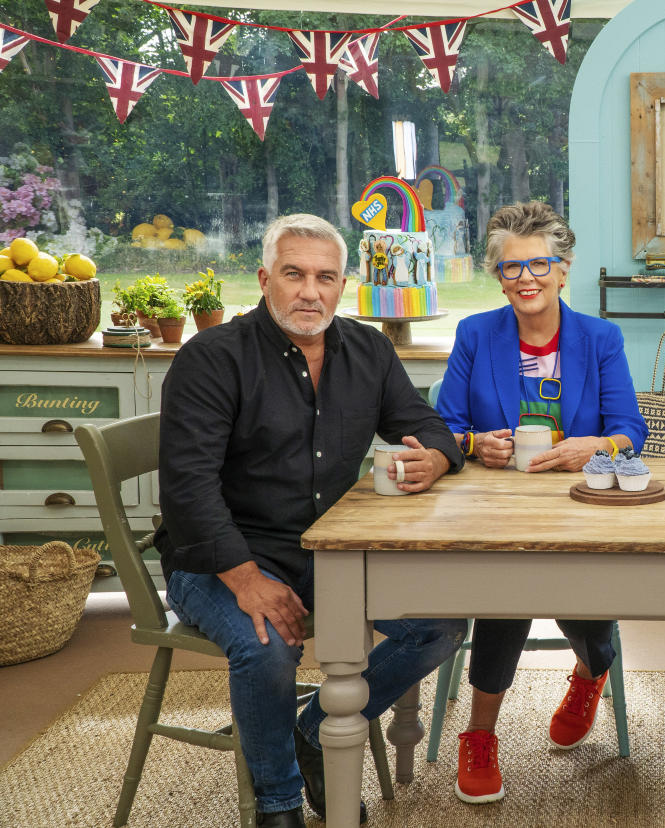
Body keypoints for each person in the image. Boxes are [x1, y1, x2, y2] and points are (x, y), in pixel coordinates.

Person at [154, 214, 467, 828]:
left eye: (325, 278)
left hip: (332, 551)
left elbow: (426, 425)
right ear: (266, 278)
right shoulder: (211, 359)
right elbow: (187, 491)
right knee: (267, 647)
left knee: (441, 622)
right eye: (294, 274)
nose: (310, 291)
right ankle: (278, 804)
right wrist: (246, 580)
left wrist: (434, 456)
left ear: (344, 287)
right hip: (221, 557)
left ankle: (318, 730)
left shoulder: (368, 348)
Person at [435, 201, 649, 805]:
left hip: (582, 507)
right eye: (511, 269)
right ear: (497, 276)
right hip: (497, 511)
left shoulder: (600, 338)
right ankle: (479, 734)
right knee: (507, 590)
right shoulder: (476, 334)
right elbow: (443, 427)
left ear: (563, 269)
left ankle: (589, 671)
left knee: (583, 592)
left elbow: (632, 428)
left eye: (539, 265)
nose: (526, 279)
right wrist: (478, 444)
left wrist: (594, 446)